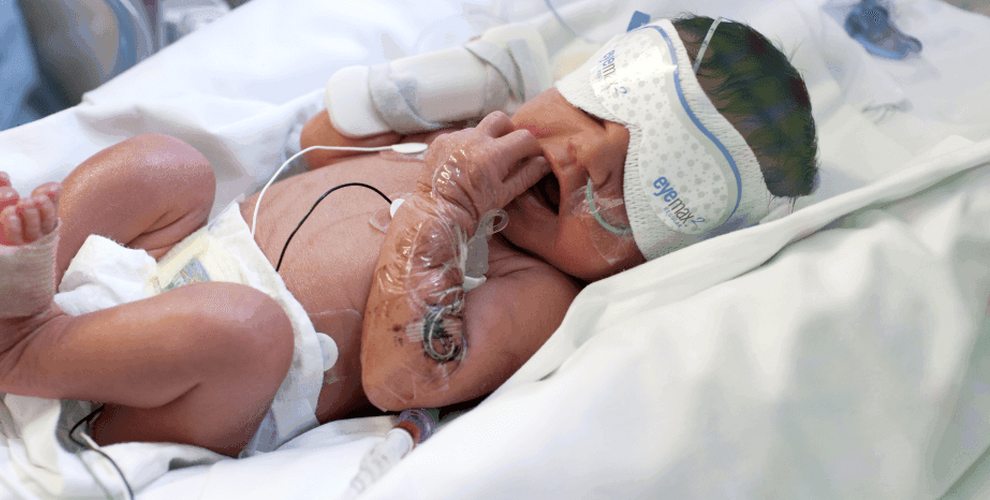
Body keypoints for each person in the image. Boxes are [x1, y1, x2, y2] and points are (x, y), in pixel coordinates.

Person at [0, 16, 818, 457]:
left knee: (246, 332)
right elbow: (319, 143)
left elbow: (406, 377)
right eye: (589, 116)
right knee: (166, 167)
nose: (575, 161)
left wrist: (445, 208)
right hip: (147, 282)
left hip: (205, 398)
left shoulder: (538, 292)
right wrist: (426, 95)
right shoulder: (459, 142)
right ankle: (27, 279)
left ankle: (23, 347)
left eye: (631, 188)